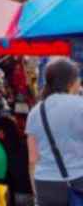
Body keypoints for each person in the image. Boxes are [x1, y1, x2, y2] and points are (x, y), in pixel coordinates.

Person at [25, 57, 83, 206]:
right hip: (78, 179)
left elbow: (33, 159)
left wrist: (37, 196)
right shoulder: (80, 105)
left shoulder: (36, 111)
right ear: (71, 82)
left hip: (45, 184)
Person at [0, 115, 33, 205]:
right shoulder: (24, 145)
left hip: (13, 192)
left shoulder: (0, 149)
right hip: (30, 191)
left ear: (2, 132)